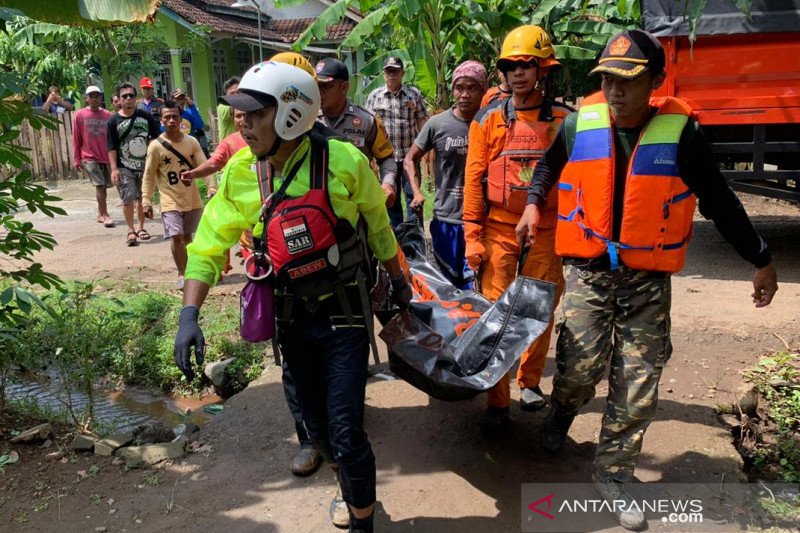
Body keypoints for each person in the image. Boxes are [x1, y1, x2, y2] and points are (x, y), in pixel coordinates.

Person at [515, 29, 779, 530]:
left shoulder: (682, 134)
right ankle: (563, 412)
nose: (615, 91)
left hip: (646, 283)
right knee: (575, 374)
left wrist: (760, 257)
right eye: (608, 79)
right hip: (589, 277)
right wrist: (532, 204)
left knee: (637, 385)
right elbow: (548, 169)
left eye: (629, 81)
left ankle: (613, 472)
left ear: (656, 80)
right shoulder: (579, 124)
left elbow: (720, 201)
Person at [174, 61, 411, 533]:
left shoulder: (344, 160)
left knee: (346, 431)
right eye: (238, 113)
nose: (241, 122)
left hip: (343, 314)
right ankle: (350, 489)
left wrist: (397, 278)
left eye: (253, 114)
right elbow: (207, 246)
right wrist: (189, 313)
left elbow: (378, 226)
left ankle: (363, 522)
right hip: (290, 321)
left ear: (290, 114)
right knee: (319, 432)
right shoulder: (242, 172)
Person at [463, 25, 572, 427]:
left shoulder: (565, 122)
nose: (518, 72)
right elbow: (473, 182)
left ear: (543, 68)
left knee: (538, 309)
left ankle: (529, 382)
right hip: (498, 230)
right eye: (510, 66)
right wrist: (472, 238)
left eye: (526, 64)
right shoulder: (488, 121)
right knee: (495, 313)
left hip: (547, 233)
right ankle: (497, 398)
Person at [404, 61, 488, 289]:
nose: (465, 94)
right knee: (448, 288)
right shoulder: (437, 124)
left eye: (472, 88)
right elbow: (409, 159)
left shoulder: (492, 123)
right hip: (446, 220)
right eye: (459, 87)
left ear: (483, 90)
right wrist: (416, 192)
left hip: (483, 223)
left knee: (479, 289)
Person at [141, 101, 213, 290]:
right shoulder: (155, 147)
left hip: (192, 199)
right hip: (169, 199)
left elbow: (204, 166)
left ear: (181, 119)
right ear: (162, 120)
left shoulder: (191, 142)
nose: (171, 120)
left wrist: (211, 187)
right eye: (167, 117)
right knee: (176, 237)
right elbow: (148, 175)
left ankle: (191, 271)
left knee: (188, 237)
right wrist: (146, 200)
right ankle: (181, 273)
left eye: (175, 116)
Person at [316, 57, 397, 207]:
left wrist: (387, 183)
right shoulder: (308, 121)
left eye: (327, 86)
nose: (320, 92)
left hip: (362, 203)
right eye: (317, 86)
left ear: (344, 87)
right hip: (321, 204)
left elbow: (386, 158)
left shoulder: (367, 120)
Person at [366, 56, 428, 227]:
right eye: (388, 71)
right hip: (386, 159)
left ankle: (415, 241)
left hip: (410, 157)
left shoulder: (413, 94)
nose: (391, 74)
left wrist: (425, 148)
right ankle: (397, 242)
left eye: (395, 71)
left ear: (402, 73)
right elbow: (369, 127)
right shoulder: (374, 97)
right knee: (390, 200)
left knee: (413, 197)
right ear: (383, 74)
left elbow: (422, 121)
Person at [107, 82, 161, 246]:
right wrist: (114, 169)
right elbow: (111, 146)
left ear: (135, 98)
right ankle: (130, 230)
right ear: (119, 99)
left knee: (142, 198)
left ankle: (141, 228)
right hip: (124, 166)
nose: (128, 99)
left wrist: (155, 159)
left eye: (131, 95)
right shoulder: (113, 121)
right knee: (128, 198)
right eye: (125, 96)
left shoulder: (144, 116)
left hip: (144, 165)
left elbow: (156, 136)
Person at [73, 85, 114, 228]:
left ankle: (100, 213)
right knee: (100, 185)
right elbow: (77, 138)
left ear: (101, 98)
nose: (94, 98)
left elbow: (112, 137)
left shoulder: (107, 115)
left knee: (105, 186)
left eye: (97, 96)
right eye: (91, 96)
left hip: (104, 155)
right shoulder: (80, 115)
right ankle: (105, 215)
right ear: (86, 99)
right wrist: (77, 159)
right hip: (89, 156)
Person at [173, 89, 210, 157]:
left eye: (182, 99)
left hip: (190, 149)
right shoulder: (169, 115)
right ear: (172, 100)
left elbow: (199, 125)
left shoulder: (189, 112)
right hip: (175, 149)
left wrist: (192, 106)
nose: (180, 102)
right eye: (177, 99)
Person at [216, 76, 240, 141]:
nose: (235, 96)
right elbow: (234, 108)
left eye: (238, 92)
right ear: (226, 96)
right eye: (232, 93)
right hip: (228, 149)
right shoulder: (222, 106)